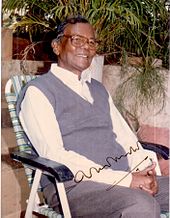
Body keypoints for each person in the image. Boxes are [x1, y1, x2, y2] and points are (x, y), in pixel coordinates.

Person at [17, 15, 169, 217]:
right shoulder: (38, 92)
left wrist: (145, 171)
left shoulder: (98, 89)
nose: (86, 47)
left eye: (91, 42)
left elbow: (125, 137)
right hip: (73, 186)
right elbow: (54, 154)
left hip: (123, 179)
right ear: (56, 46)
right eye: (77, 40)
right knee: (142, 206)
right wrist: (127, 180)